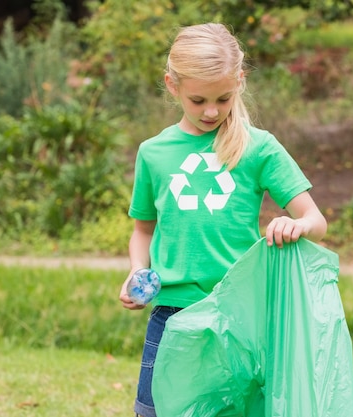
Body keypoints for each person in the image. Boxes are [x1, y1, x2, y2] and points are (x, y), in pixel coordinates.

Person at [118, 22, 327, 417]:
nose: (211, 111)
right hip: (171, 312)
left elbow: (315, 220)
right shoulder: (153, 153)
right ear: (172, 85)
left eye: (223, 98)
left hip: (238, 313)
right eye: (198, 100)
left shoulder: (259, 148)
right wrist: (136, 270)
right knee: (154, 411)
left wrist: (295, 226)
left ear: (240, 83)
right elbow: (142, 229)